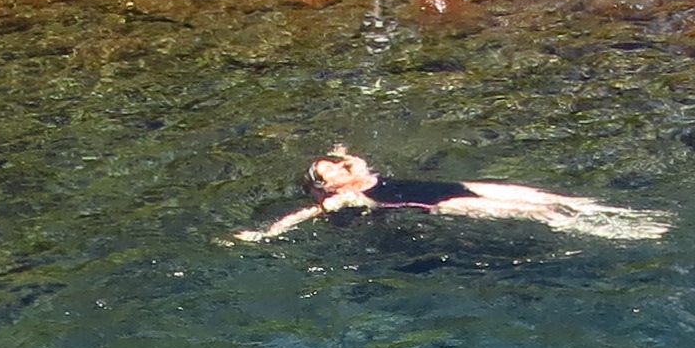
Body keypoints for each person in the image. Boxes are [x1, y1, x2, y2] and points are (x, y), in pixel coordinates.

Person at [231, 146, 668, 243]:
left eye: (340, 164)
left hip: (454, 186)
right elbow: (305, 215)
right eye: (334, 171)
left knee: (541, 193)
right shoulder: (339, 200)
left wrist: (342, 154)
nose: (344, 169)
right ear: (327, 187)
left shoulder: (359, 172)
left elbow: (354, 159)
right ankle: (622, 232)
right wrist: (266, 233)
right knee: (541, 213)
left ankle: (610, 210)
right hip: (442, 204)